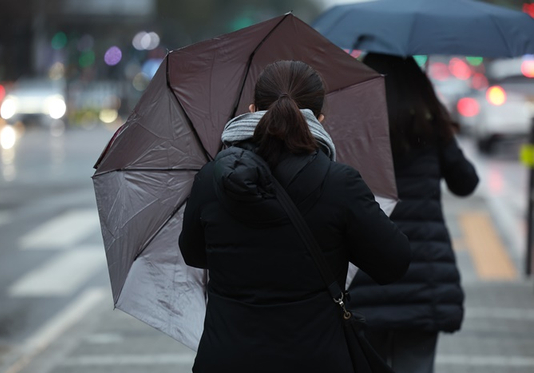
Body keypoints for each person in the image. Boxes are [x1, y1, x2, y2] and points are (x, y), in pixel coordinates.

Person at [178, 60, 411, 373]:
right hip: (316, 359)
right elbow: (393, 263)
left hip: (227, 358)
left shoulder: (212, 178)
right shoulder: (340, 183)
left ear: (252, 110)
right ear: (320, 119)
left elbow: (193, 253)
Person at [348, 53, 480, 373]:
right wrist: (441, 130)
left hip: (367, 274)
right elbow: (465, 182)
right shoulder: (430, 124)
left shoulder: (355, 127)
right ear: (418, 84)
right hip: (425, 274)